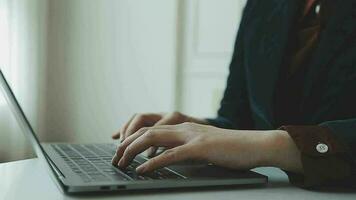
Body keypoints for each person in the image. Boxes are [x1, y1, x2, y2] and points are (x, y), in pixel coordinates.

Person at [112, 0, 356, 188]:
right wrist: (199, 128)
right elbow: (239, 117)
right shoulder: (262, 5)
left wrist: (273, 146)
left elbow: (254, 142)